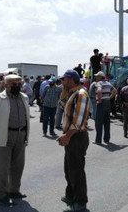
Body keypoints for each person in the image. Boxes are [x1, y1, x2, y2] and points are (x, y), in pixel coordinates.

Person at [0, 75, 30, 207]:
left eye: (18, 84)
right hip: (3, 136)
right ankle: (1, 196)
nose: (17, 86)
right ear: (5, 85)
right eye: (13, 84)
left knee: (18, 166)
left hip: (21, 135)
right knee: (1, 169)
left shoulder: (24, 98)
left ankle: (14, 191)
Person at [56, 70, 91, 211]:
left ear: (70, 80)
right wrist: (64, 94)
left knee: (76, 171)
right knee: (69, 169)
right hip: (72, 135)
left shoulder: (81, 94)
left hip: (76, 136)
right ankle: (71, 196)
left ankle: (80, 203)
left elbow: (78, 120)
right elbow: (63, 108)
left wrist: (67, 136)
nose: (61, 82)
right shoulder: (72, 93)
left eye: (63, 79)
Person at [94, 71, 117, 144]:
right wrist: (110, 97)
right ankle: (106, 139)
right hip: (107, 102)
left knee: (99, 122)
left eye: (97, 76)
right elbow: (115, 91)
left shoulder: (99, 83)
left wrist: (99, 100)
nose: (96, 77)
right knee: (107, 122)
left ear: (100, 77)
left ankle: (98, 140)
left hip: (102, 103)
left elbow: (99, 91)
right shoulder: (108, 83)